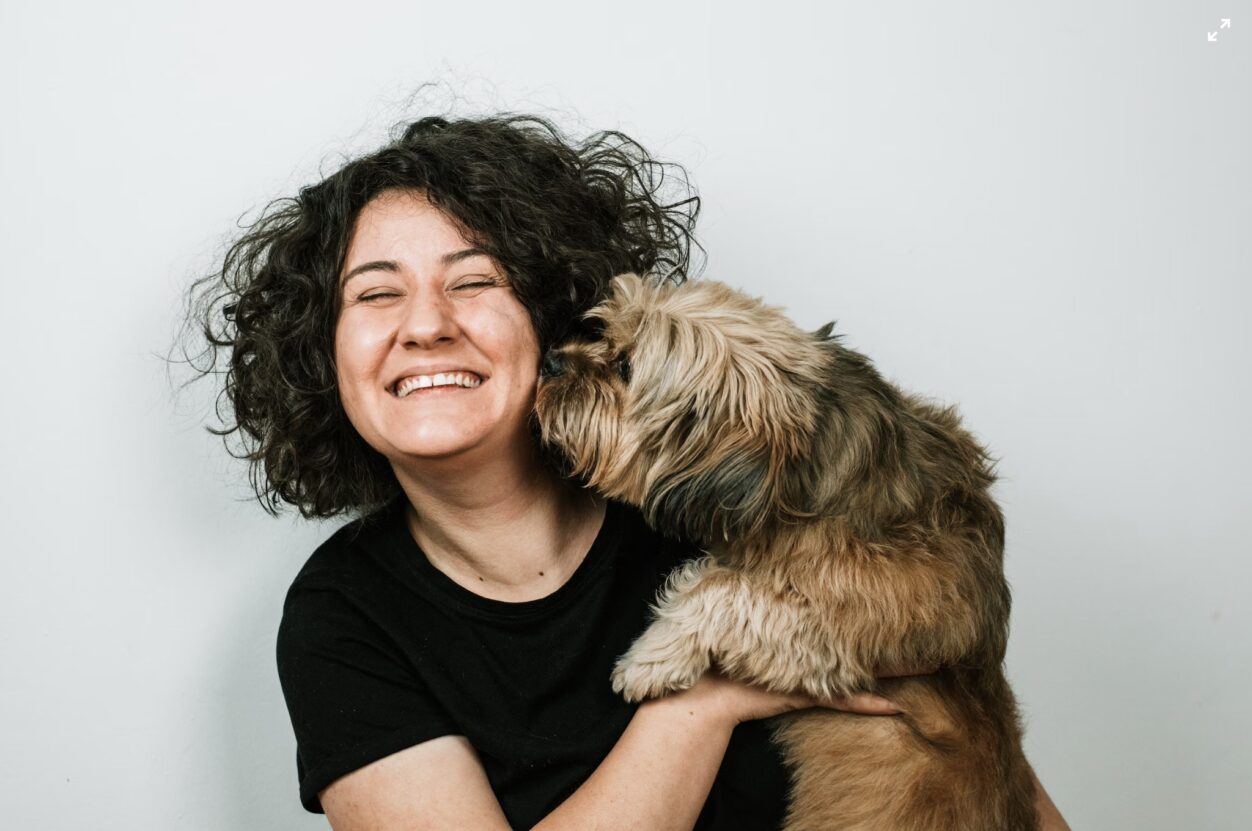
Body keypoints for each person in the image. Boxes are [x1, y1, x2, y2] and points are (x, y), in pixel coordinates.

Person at [185, 111, 1069, 830]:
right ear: (320, 355)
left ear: (553, 313)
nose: (425, 325)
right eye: (376, 293)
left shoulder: (721, 492)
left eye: (475, 280)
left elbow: (981, 763)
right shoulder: (345, 617)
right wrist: (704, 702)